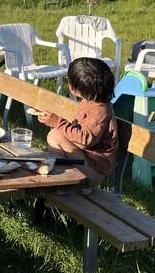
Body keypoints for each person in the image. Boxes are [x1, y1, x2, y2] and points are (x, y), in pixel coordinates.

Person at [35, 58, 118, 188]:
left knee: (56, 135)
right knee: (55, 135)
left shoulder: (99, 112)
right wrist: (55, 122)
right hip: (86, 163)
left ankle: (62, 181)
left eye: (70, 80)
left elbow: (84, 140)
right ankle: (58, 177)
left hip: (92, 173)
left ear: (78, 88)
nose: (68, 82)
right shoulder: (91, 101)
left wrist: (58, 122)